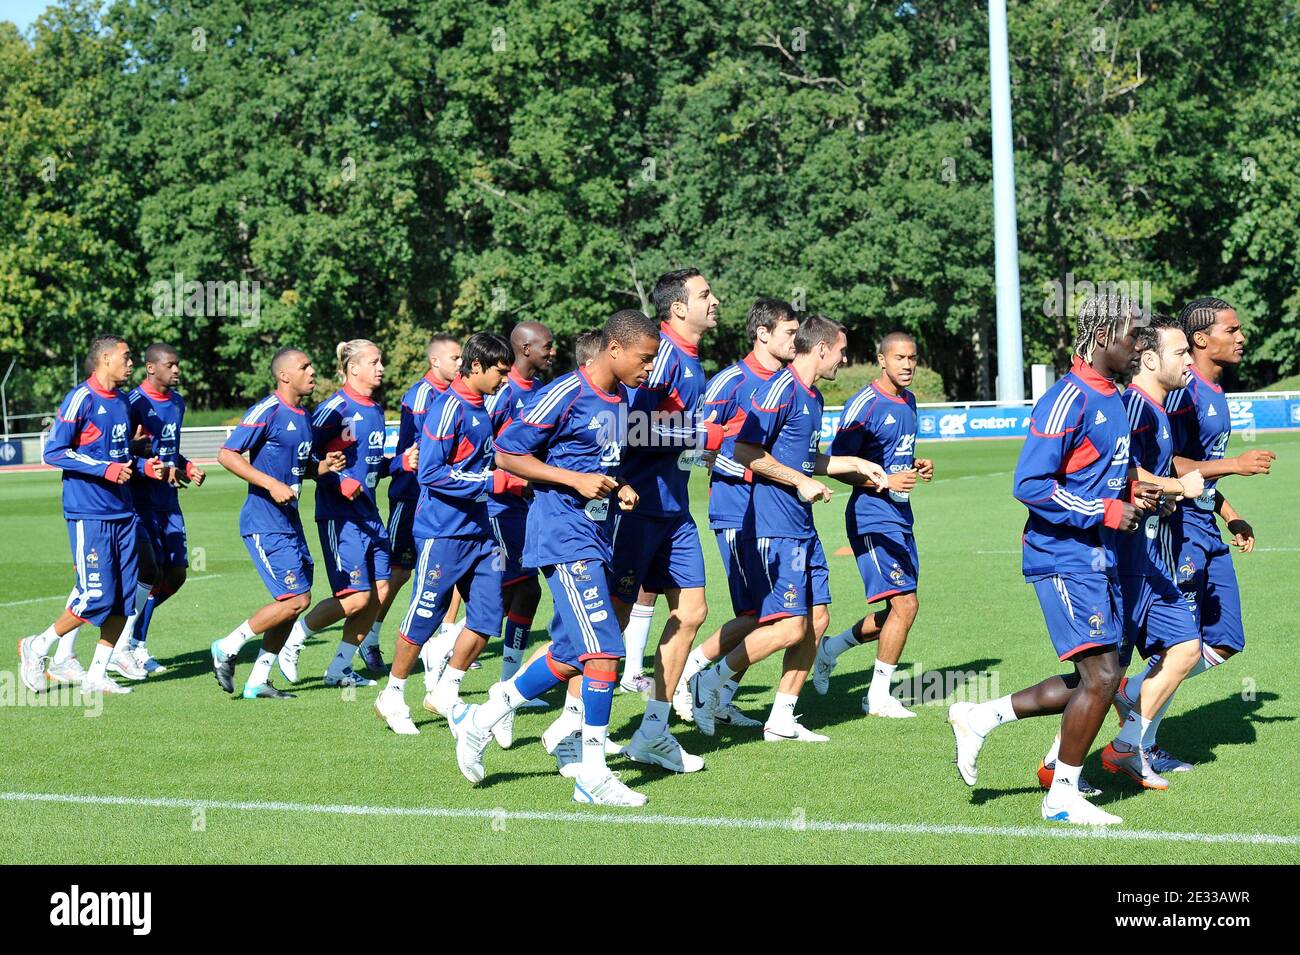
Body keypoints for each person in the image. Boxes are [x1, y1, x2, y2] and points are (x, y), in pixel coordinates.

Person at [946, 294, 1160, 826]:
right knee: (1103, 674)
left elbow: (1102, 472)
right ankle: (1062, 794)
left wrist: (1135, 492)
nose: (1142, 345)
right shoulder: (1068, 397)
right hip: (1062, 554)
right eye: (1135, 335)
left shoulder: (1115, 396)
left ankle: (981, 716)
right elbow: (1031, 484)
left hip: (1098, 556)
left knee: (1099, 676)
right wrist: (1104, 511)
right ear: (1104, 334)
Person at [448, 309, 658, 806]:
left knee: (568, 655)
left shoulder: (622, 397)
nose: (649, 368)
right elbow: (506, 454)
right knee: (606, 652)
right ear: (614, 349)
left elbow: (599, 462)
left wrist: (620, 485)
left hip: (595, 534)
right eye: (644, 358)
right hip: (563, 536)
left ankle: (483, 717)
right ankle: (593, 773)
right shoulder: (565, 392)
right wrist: (574, 481)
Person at [692, 315, 887, 741]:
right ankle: (708, 680)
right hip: (773, 525)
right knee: (787, 625)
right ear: (820, 349)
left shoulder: (813, 396)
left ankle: (781, 717)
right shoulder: (780, 388)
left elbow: (804, 459)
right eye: (840, 350)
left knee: (817, 619)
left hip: (802, 525)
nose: (844, 358)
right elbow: (746, 450)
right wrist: (800, 482)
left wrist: (852, 464)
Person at [1111, 297, 1275, 772]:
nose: (1241, 337)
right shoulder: (1182, 391)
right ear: (1201, 339)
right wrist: (1235, 466)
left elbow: (1198, 475)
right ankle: (1137, 741)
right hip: (1178, 528)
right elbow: (1173, 465)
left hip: (1205, 525)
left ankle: (1134, 691)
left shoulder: (1214, 390)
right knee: (1179, 645)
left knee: (1223, 641)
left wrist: (1230, 513)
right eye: (1233, 329)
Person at [606, 268, 732, 773]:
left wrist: (696, 447)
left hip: (674, 510)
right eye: (706, 295)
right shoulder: (657, 357)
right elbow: (629, 426)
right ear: (678, 308)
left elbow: (675, 435)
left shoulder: (693, 362)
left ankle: (653, 731)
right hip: (636, 509)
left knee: (693, 612)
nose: (715, 301)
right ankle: (547, 716)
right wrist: (702, 437)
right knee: (604, 626)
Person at [375, 333, 514, 734]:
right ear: (475, 367)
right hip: (442, 532)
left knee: (488, 616)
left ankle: (446, 689)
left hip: (480, 532)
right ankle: (393, 693)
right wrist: (492, 484)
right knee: (425, 613)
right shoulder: (446, 409)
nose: (503, 380)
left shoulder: (480, 407)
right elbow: (430, 473)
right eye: (499, 373)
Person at [673, 298, 799, 729]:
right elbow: (691, 445)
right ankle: (689, 673)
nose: (797, 342)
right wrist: (746, 469)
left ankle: (721, 696)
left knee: (767, 613)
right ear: (762, 333)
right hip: (735, 513)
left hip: (775, 515)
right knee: (755, 613)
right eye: (789, 332)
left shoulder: (787, 381)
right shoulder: (730, 380)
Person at [1095, 314, 1203, 789]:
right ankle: (995, 722)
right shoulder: (1135, 407)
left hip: (1147, 555)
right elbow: (1126, 476)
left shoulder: (1157, 409)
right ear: (1150, 358)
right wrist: (1180, 486)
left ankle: (1127, 745)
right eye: (1181, 353)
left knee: (1184, 647)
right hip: (1120, 558)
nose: (1189, 362)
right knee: (1097, 677)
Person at [21, 336, 158, 696]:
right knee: (95, 595)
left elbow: (117, 453)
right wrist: (104, 470)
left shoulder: (123, 403)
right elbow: (54, 451)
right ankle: (36, 647)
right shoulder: (81, 398)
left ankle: (97, 674)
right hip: (89, 513)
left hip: (124, 512)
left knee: (124, 599)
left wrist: (144, 465)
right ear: (105, 359)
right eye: (127, 357)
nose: (132, 364)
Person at [211, 349, 346, 698]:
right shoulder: (267, 410)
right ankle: (226, 647)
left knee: (292, 604)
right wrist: (269, 483)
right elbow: (226, 454)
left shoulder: (303, 415)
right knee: (296, 599)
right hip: (263, 522)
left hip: (289, 523)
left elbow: (299, 469)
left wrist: (324, 466)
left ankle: (257, 680)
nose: (312, 370)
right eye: (304, 366)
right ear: (284, 375)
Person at [813, 331, 934, 718]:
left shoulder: (909, 401)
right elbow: (836, 466)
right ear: (881, 360)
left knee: (900, 611)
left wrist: (916, 465)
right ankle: (878, 697)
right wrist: (883, 481)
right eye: (899, 358)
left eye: (912, 358)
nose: (907, 365)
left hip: (900, 516)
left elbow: (895, 457)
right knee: (906, 605)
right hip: (870, 516)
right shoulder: (863, 405)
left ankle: (830, 649)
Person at [280, 340, 414, 688]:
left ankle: (339, 667)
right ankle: (293, 639)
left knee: (380, 591)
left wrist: (402, 463)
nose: (381, 367)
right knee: (356, 597)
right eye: (373, 361)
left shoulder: (375, 410)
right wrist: (338, 482)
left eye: (381, 360)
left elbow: (373, 467)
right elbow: (306, 461)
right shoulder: (332, 410)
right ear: (352, 368)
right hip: (340, 518)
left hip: (370, 516)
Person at [467, 322, 555, 748]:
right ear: (525, 348)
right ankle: (453, 676)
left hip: (525, 506)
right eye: (547, 345)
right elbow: (490, 450)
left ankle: (504, 685)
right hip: (498, 507)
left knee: (521, 595)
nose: (553, 351)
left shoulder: (541, 389)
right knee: (511, 593)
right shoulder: (502, 392)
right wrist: (503, 480)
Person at [363, 334, 461, 674]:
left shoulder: (455, 393)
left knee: (453, 564)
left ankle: (445, 640)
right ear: (435, 361)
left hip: (442, 495)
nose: (460, 364)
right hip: (411, 493)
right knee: (399, 572)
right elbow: (425, 447)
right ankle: (369, 637)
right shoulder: (421, 395)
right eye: (454, 358)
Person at [121, 343, 205, 675]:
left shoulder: (177, 402)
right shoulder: (132, 404)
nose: (177, 370)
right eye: (170, 365)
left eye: (177, 364)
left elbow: (169, 450)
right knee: (149, 572)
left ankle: (133, 642)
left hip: (168, 500)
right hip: (139, 500)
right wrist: (146, 466)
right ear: (151, 368)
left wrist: (185, 466)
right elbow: (118, 451)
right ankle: (128, 644)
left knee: (176, 574)